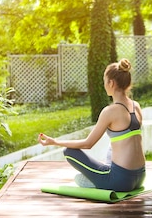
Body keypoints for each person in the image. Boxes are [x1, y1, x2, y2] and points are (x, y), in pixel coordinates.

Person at [38, 58, 146, 191]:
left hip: (121, 182)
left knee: (69, 151)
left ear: (111, 83)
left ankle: (95, 181)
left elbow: (88, 144)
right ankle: (99, 177)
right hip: (140, 177)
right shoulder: (136, 106)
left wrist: (55, 142)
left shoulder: (110, 111)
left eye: (104, 81)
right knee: (116, 141)